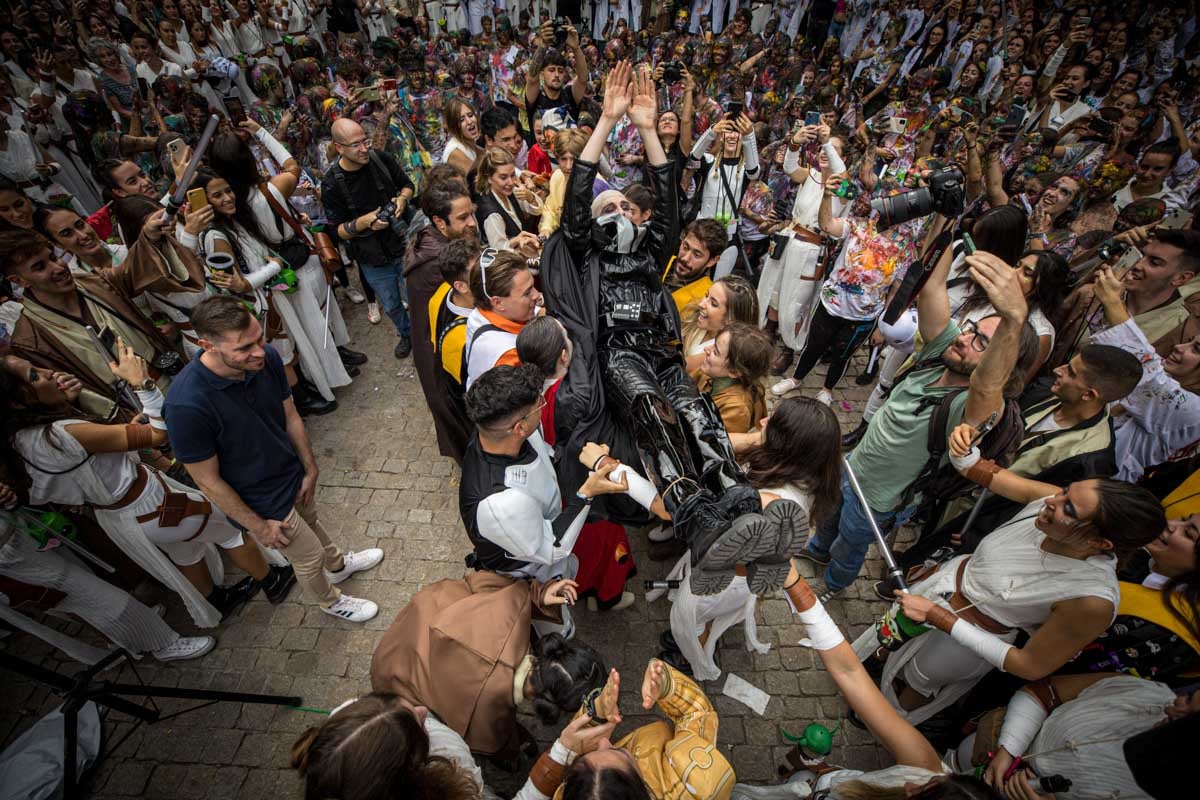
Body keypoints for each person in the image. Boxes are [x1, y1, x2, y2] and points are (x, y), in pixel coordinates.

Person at [542, 61, 806, 595]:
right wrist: (604, 122)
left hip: (662, 351)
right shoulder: (587, 255)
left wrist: (646, 129)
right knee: (652, 410)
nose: (620, 211)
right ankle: (695, 515)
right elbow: (576, 203)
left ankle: (736, 503)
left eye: (625, 206)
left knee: (693, 410)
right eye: (608, 206)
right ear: (592, 225)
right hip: (621, 359)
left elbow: (666, 198)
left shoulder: (650, 256)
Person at [798, 242, 1041, 600]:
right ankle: (818, 549)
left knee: (851, 543)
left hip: (879, 500)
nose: (964, 340)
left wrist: (1015, 319)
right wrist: (951, 224)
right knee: (829, 516)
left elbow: (988, 383)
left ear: (1002, 361)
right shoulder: (940, 353)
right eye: (971, 329)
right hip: (853, 467)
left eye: (982, 343)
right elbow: (933, 289)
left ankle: (834, 583)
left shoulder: (972, 406)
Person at [165, 296, 383, 624]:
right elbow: (207, 480)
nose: (259, 352)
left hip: (291, 473)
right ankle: (330, 601)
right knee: (307, 557)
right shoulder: (186, 405)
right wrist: (257, 525)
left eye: (260, 339)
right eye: (244, 348)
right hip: (261, 499)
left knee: (312, 523)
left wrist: (310, 467)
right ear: (206, 345)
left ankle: (337, 566)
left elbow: (290, 413)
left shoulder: (264, 358)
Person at [370, 571, 604, 758]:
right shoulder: (488, 703)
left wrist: (538, 595)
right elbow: (490, 743)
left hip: (411, 626)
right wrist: (511, 753)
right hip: (397, 683)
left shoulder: (515, 607)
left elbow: (482, 581)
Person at [458, 363, 630, 596]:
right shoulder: (500, 503)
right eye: (539, 403)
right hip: (532, 574)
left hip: (545, 523)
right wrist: (586, 493)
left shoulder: (497, 436)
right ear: (519, 428)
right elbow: (552, 548)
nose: (543, 405)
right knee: (559, 625)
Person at [0, 222, 204, 418]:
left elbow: (135, 271)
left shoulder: (93, 282)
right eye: (40, 267)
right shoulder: (31, 341)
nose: (59, 267)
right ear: (18, 281)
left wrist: (151, 238)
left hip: (176, 381)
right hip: (135, 416)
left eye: (53, 257)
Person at [526, 658, 736, 800]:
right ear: (642, 788)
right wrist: (667, 688)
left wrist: (595, 713)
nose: (603, 741)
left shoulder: (571, 793)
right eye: (618, 751)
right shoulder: (693, 785)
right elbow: (697, 714)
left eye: (582, 760)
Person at [1089, 266, 1200, 483]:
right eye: (1189, 342)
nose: (1179, 347)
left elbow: (1147, 371)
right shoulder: (1169, 381)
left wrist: (1113, 301)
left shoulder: (1195, 412)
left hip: (1098, 483)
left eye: (1196, 349)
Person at [322, 117, 417, 359]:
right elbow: (337, 231)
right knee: (392, 304)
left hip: (402, 243)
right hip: (371, 257)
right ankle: (406, 335)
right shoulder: (332, 183)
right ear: (339, 147)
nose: (364, 148)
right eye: (356, 145)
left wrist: (401, 200)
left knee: (415, 297)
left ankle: (424, 336)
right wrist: (363, 223)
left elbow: (407, 185)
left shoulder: (379, 159)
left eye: (365, 141)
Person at [407, 179, 479, 463]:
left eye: (471, 213)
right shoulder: (439, 264)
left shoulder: (441, 243)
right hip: (443, 360)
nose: (472, 223)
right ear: (439, 222)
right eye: (463, 218)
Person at [463, 248, 542, 389]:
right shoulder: (508, 357)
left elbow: (540, 312)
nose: (536, 295)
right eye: (527, 292)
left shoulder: (483, 311)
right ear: (498, 303)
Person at [693, 322, 772, 436]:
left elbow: (715, 444)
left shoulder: (737, 409)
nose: (706, 349)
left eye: (715, 352)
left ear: (734, 372)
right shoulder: (711, 372)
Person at [680, 275, 759, 374]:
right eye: (706, 295)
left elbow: (680, 366)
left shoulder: (721, 351)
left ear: (731, 319)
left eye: (713, 303)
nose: (701, 304)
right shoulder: (700, 321)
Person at [664, 219, 727, 313]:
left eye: (696, 255)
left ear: (712, 261)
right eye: (685, 247)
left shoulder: (704, 301)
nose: (685, 258)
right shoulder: (662, 262)